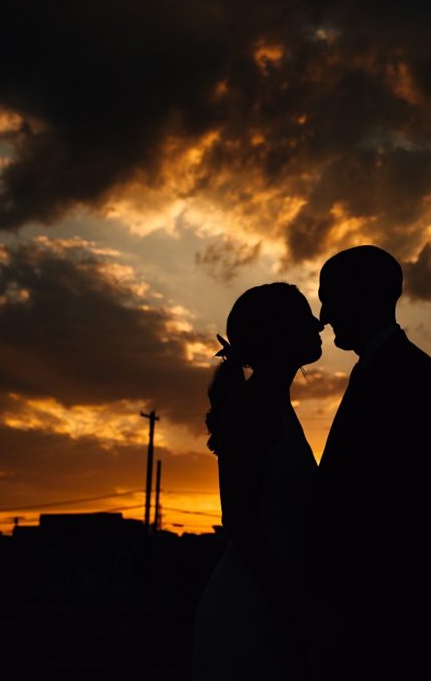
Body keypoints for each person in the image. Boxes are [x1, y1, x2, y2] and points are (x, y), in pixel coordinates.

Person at [306, 245, 431, 680]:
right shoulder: (386, 367)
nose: (324, 316)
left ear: (361, 296)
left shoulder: (404, 372)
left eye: (329, 298)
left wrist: (342, 604)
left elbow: (387, 501)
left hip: (379, 605)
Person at [193, 282, 323, 681]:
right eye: (304, 317)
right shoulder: (252, 406)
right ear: (278, 332)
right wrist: (288, 601)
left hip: (272, 595)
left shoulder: (274, 403)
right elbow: (240, 521)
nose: (318, 325)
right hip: (256, 603)